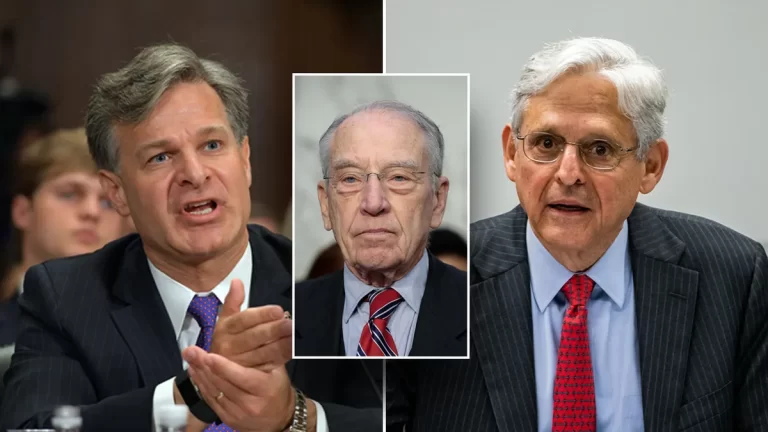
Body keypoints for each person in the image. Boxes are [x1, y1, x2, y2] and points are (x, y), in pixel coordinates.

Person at [387, 37, 768, 431]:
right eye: (546, 144)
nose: (568, 174)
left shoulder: (734, 278)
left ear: (650, 166)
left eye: (599, 149)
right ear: (512, 154)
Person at [0, 43, 382, 431]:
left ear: (245, 159)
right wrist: (197, 392)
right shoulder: (66, 300)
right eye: (160, 157)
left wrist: (295, 417)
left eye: (212, 145)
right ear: (116, 193)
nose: (195, 173)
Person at [295, 101, 467, 358]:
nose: (373, 203)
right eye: (350, 179)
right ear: (325, 204)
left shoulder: (489, 310)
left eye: (399, 177)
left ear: (438, 201)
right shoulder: (284, 312)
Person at [0, 128, 124, 346]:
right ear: (23, 212)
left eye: (107, 202)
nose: (92, 212)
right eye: (69, 194)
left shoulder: (155, 331)